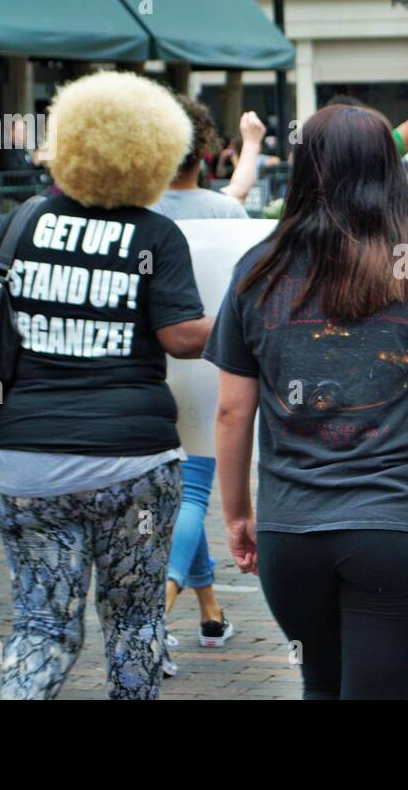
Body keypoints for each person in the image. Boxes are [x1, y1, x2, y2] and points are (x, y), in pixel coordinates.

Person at [205, 103, 408, 700]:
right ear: (388, 173)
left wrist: (238, 515)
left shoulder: (257, 272)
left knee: (320, 685)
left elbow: (231, 412)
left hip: (291, 528)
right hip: (398, 528)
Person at [0, 71, 211, 700]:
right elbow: (183, 339)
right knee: (134, 624)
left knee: (42, 625)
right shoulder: (156, 236)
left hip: (25, 460)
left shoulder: (20, 224)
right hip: (131, 461)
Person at [145, 95, 244, 677]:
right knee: (195, 493)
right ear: (205, 152)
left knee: (185, 490)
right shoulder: (227, 212)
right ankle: (156, 618)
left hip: (153, 362)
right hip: (211, 359)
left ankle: (210, 613)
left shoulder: (139, 210)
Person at [217, 111, 269, 204]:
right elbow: (220, 174)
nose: (230, 148)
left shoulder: (251, 160)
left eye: (232, 146)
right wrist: (222, 159)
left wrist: (250, 146)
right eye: (229, 145)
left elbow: (275, 160)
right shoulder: (228, 160)